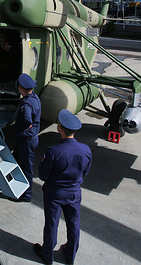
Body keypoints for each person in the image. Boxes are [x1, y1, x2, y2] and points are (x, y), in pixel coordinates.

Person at [33, 109, 92, 265]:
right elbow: (85, 171)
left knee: (52, 224)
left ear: (59, 128)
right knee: (74, 225)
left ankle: (47, 256)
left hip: (55, 194)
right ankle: (70, 256)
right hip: (74, 193)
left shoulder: (53, 151)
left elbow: (43, 175)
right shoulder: (86, 150)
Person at [14, 73, 41, 202]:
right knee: (17, 160)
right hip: (29, 138)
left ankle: (26, 195)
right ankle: (17, 186)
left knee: (26, 167)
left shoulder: (27, 104)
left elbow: (27, 120)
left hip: (27, 140)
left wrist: (24, 129)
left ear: (20, 88)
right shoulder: (34, 98)